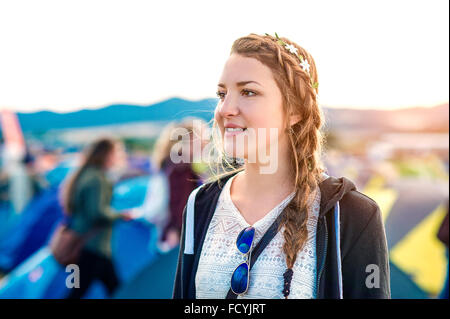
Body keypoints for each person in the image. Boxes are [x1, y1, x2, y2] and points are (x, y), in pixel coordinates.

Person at [173, 33, 390, 299]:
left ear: (295, 111)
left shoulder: (351, 214)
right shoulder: (200, 204)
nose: (225, 109)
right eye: (222, 93)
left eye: (248, 92)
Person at [61, 138, 132, 299]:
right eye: (116, 152)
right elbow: (97, 212)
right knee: (112, 289)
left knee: (83, 289)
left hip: (85, 242)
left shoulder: (85, 174)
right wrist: (121, 215)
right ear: (106, 154)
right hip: (94, 245)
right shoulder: (97, 178)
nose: (118, 156)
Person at [151, 118, 208, 251]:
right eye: (202, 136)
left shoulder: (177, 163)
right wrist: (175, 230)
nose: (206, 141)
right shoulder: (182, 166)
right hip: (179, 235)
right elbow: (179, 202)